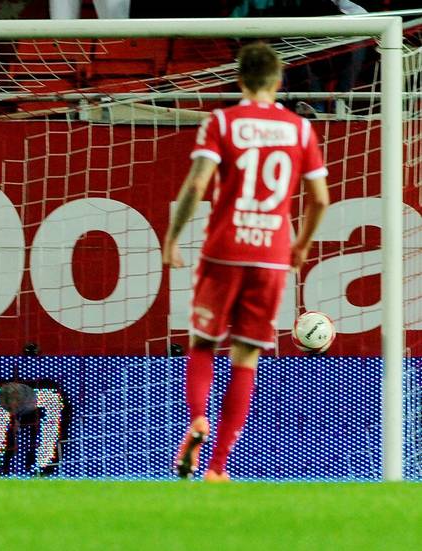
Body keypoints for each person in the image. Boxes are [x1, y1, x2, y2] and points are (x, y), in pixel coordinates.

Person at [162, 42, 329, 482]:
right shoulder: (299, 130)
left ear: (239, 80)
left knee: (203, 344)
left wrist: (172, 237)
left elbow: (196, 185)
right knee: (246, 356)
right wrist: (300, 245)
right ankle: (217, 467)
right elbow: (320, 199)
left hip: (224, 249)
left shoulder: (222, 122)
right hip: (271, 255)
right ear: (278, 81)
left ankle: (198, 419)